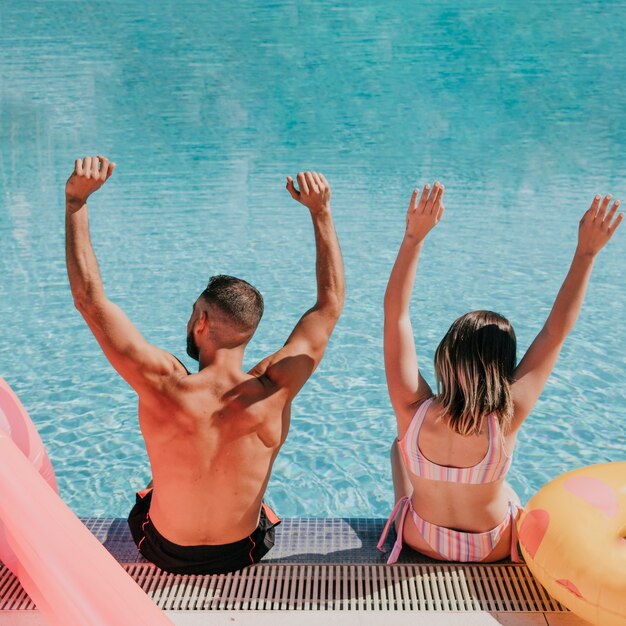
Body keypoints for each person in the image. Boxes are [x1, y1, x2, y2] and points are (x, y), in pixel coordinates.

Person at [65, 157, 345, 574]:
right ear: (249, 332)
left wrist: (76, 202)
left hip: (161, 549)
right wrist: (321, 212)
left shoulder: (160, 383)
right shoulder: (276, 387)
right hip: (242, 552)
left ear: (201, 322)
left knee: (154, 486)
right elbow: (329, 305)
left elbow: (90, 299)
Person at [378, 182, 622, 563]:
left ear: (445, 354)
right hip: (490, 547)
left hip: (421, 539)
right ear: (503, 367)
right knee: (508, 495)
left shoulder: (410, 407)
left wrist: (413, 237)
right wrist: (586, 253)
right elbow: (554, 332)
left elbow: (396, 315)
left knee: (399, 450)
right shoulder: (507, 418)